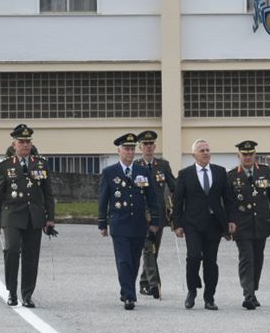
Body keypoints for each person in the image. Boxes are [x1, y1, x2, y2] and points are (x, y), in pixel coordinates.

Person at [0, 124, 56, 308]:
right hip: (11, 215)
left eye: (28, 142)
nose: (25, 145)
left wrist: (50, 217)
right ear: (14, 144)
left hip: (34, 216)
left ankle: (27, 294)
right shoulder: (4, 166)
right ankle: (11, 292)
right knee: (11, 250)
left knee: (31, 256)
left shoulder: (41, 163)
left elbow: (48, 193)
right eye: (21, 142)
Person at [98, 133, 163, 310]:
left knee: (134, 260)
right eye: (126, 148)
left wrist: (155, 220)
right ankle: (129, 295)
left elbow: (152, 198)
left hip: (139, 223)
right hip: (120, 223)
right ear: (119, 150)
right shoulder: (110, 172)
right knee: (124, 260)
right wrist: (102, 223)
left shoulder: (143, 171)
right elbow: (103, 199)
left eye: (132, 148)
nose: (129, 152)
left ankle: (127, 289)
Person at [173, 138, 230, 310]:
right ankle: (192, 291)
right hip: (192, 224)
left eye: (207, 150)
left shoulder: (220, 172)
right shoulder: (185, 174)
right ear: (194, 155)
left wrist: (230, 221)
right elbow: (178, 201)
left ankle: (209, 297)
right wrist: (177, 224)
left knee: (211, 262)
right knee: (194, 256)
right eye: (202, 150)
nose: (206, 153)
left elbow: (228, 199)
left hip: (214, 223)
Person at [227, 140, 270, 310]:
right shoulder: (231, 176)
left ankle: (253, 289)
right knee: (247, 259)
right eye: (244, 154)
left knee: (258, 259)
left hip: (261, 223)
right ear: (239, 156)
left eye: (251, 154)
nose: (248, 157)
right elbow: (228, 203)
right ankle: (248, 294)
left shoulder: (264, 171)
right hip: (241, 225)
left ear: (255, 155)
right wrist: (228, 224)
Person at [135, 130, 175, 300]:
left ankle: (144, 282)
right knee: (148, 248)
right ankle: (154, 284)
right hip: (142, 215)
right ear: (140, 147)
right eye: (145, 144)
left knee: (153, 250)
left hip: (159, 215)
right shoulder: (136, 166)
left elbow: (174, 186)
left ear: (155, 146)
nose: (148, 147)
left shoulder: (162, 165)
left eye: (151, 144)